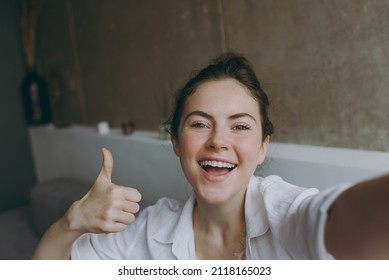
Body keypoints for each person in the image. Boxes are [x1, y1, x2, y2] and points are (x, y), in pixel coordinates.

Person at [32, 53, 389, 260]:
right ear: (175, 140)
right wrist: (73, 221)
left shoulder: (288, 213)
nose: (218, 141)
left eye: (240, 126)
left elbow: (336, 219)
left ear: (263, 146)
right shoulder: (148, 231)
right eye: (200, 124)